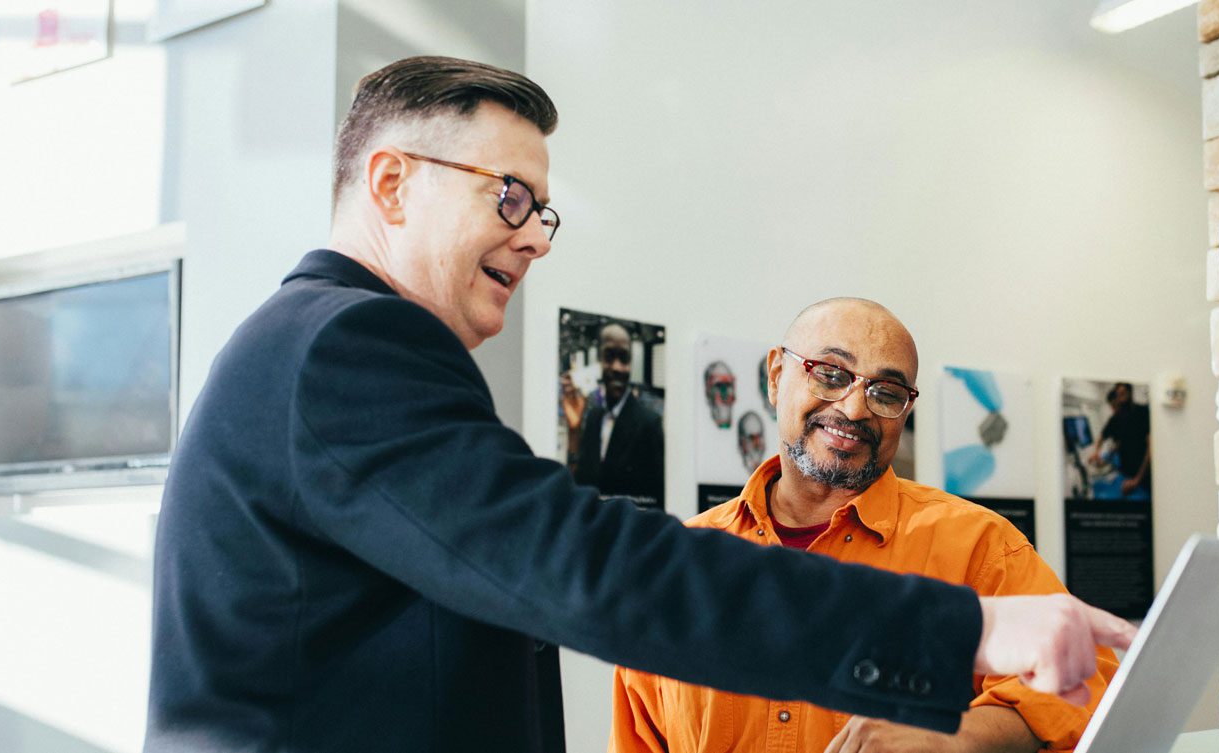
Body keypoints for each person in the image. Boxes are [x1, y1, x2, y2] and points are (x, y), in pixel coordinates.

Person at [146, 56, 1134, 753]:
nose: (536, 237)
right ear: (392, 184)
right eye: (509, 196)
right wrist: (957, 631)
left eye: (543, 212)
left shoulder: (315, 347)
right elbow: (584, 565)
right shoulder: (348, 345)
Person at [609, 299, 1120, 753]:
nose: (854, 409)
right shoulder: (676, 568)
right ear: (776, 375)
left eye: (886, 392)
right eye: (830, 374)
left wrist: (956, 737)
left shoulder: (978, 548)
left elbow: (1091, 691)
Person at [573, 323, 666, 509]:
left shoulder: (649, 424)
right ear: (599, 360)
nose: (617, 367)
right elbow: (581, 482)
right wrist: (573, 431)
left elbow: (656, 501)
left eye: (624, 358)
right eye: (609, 356)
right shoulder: (593, 417)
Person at [1100, 382, 1151, 499]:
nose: (1114, 410)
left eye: (1115, 406)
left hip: (1142, 477)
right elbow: (1118, 442)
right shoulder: (1119, 419)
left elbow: (1150, 448)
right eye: (1112, 407)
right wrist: (1104, 457)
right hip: (1126, 474)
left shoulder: (1141, 412)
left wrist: (1137, 480)